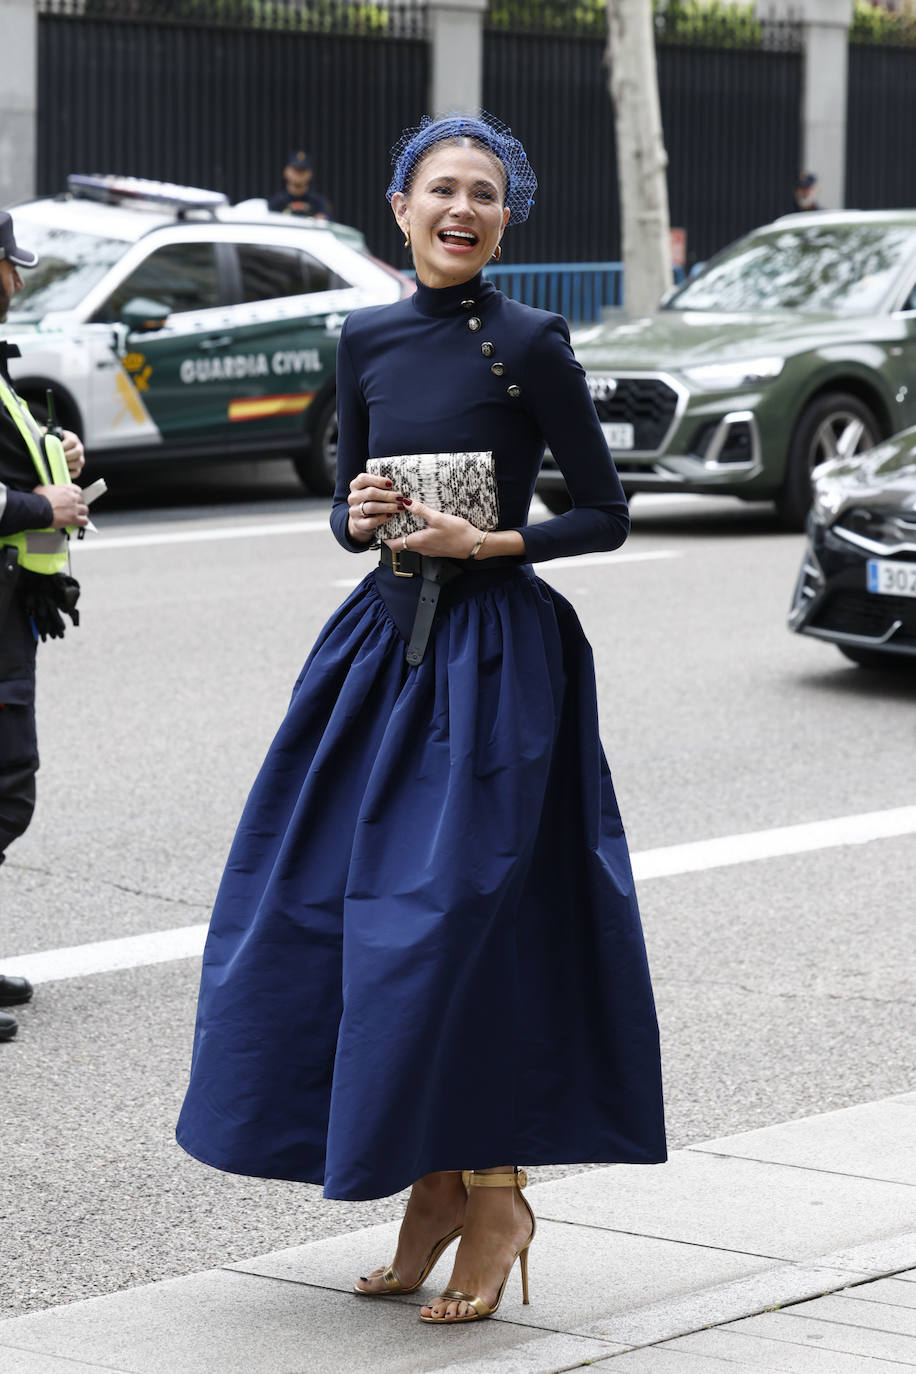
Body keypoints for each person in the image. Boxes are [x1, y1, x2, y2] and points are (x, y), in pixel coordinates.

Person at [177, 113, 665, 1326]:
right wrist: (361, 512)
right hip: (377, 654)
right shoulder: (364, 335)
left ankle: (497, 1193)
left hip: (497, 659)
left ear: (505, 220)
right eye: (440, 189)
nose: (462, 208)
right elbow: (347, 503)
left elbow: (603, 514)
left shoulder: (530, 342)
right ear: (397, 207)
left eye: (485, 194)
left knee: (456, 924)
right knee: (340, 922)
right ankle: (435, 1185)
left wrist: (490, 539)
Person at [0, 209, 89, 1042]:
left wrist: (52, 455)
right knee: (0, 785)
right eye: (9, 266)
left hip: (9, 610)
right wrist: (41, 503)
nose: (17, 281)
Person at [266, 149, 330, 219]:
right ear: (286, 172)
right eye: (295, 170)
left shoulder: (319, 203)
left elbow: (328, 222)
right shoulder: (275, 202)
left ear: (310, 174)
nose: (298, 174)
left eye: (302, 171)